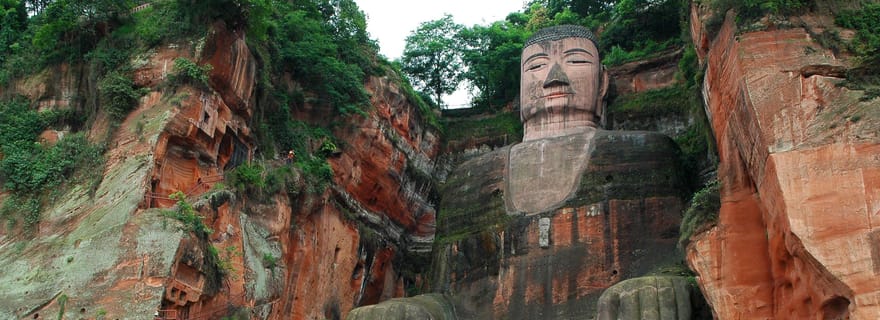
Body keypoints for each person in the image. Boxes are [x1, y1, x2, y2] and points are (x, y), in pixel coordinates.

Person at [347, 25, 699, 320]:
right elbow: (448, 297)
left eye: (576, 61)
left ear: (603, 82)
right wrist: (414, 308)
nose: (554, 77)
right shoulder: (469, 179)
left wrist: (662, 284)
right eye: (536, 66)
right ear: (520, 86)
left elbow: (685, 261)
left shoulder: (643, 153)